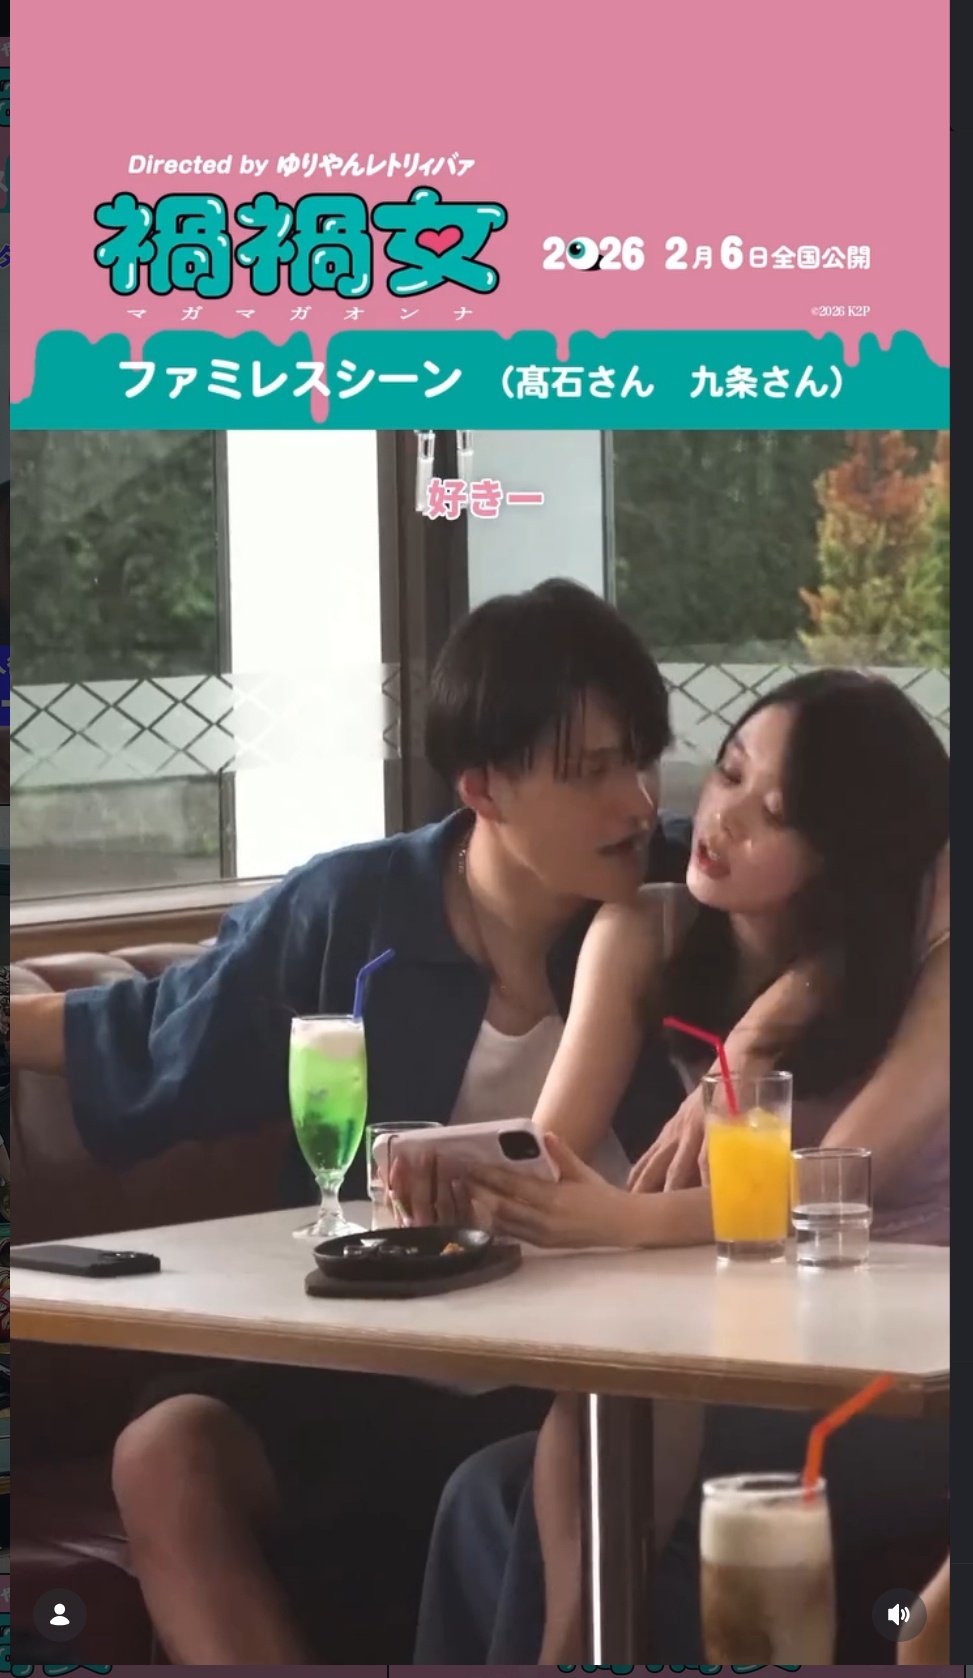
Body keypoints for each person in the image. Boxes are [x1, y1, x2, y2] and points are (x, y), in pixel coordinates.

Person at [13, 579, 696, 1664]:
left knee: (603, 1416)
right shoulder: (355, 908)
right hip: (377, 1362)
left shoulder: (693, 906)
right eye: (590, 770)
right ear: (483, 787)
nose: (636, 802)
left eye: (641, 761)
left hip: (590, 1376)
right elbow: (160, 1028)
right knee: (166, 1450)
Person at [415, 670, 950, 1663]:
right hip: (740, 1358)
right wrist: (463, 1183)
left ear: (847, 852)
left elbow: (833, 1182)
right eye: (729, 772)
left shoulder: (934, 978)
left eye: (775, 812)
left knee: (624, 1440)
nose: (722, 816)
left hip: (902, 1375)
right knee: (485, 1492)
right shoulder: (641, 932)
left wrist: (626, 1215)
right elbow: (548, 1149)